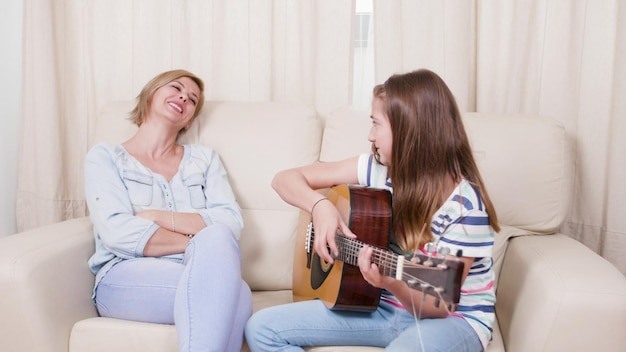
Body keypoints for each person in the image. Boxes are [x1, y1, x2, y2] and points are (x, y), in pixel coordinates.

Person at [245, 69, 500, 352]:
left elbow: (437, 306)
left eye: (376, 124)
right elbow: (283, 179)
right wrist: (320, 206)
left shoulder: (466, 207)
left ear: (408, 130)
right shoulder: (376, 170)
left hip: (452, 320)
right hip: (378, 308)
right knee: (261, 328)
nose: (370, 134)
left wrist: (389, 281)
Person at [85, 69, 252, 352]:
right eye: (176, 88)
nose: (183, 97)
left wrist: (157, 217)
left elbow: (231, 223)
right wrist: (195, 243)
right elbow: (117, 232)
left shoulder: (205, 159)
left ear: (189, 121)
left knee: (226, 258)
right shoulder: (106, 157)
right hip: (124, 274)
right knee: (237, 293)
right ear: (151, 94)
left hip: (195, 269)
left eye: (192, 100)